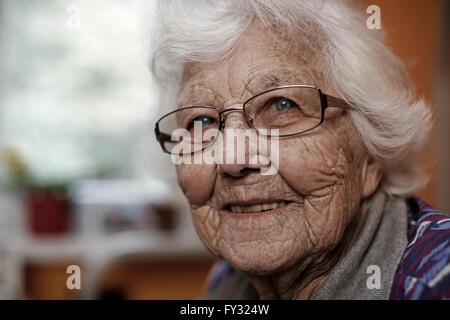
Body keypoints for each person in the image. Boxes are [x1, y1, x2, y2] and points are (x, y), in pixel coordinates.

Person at [150, 0, 450, 299]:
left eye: (282, 106)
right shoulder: (227, 275)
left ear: (371, 154)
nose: (232, 160)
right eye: (201, 121)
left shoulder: (436, 284)